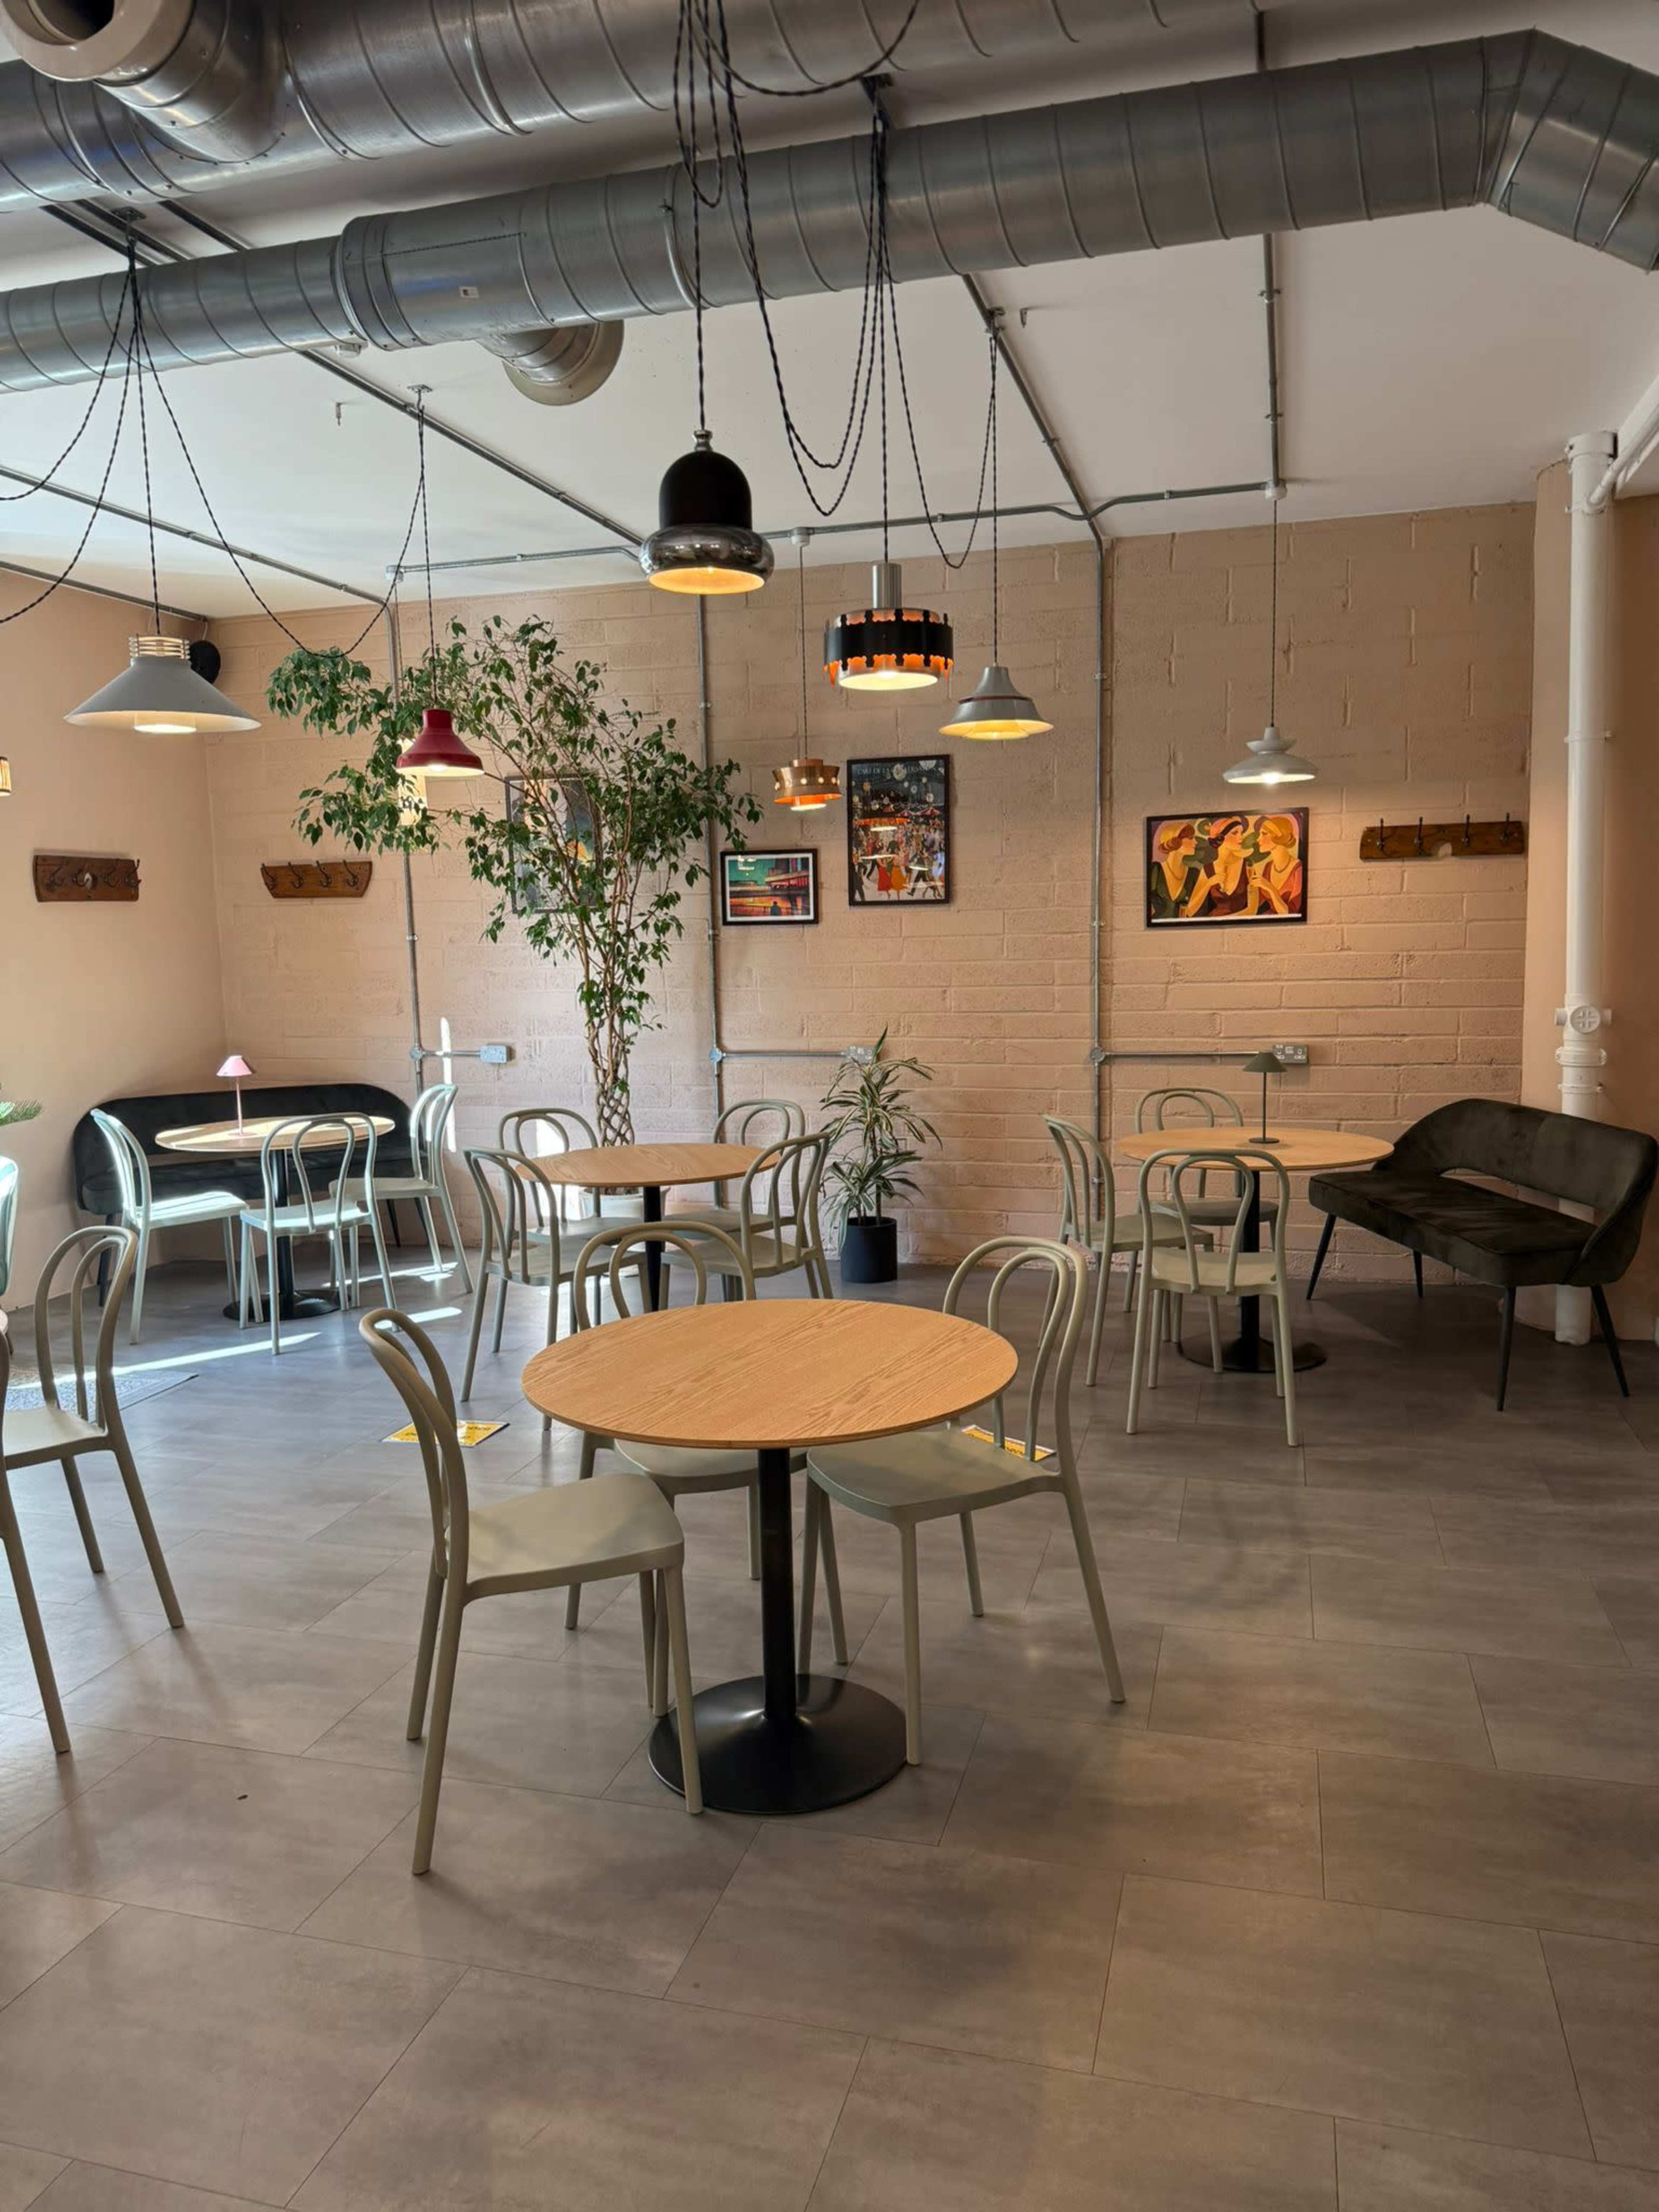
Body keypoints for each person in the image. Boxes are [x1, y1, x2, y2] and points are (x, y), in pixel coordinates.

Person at [1182, 815, 1251, 918]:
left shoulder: (1248, 866)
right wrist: (1208, 884)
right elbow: (1190, 911)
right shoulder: (1208, 869)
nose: (1241, 837)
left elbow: (1253, 909)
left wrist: (1222, 920)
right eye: (1235, 833)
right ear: (1220, 838)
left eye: (1241, 833)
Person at [1247, 813, 1304, 917]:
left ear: (1279, 837)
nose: (1258, 839)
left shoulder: (1298, 869)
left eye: (1264, 834)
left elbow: (1290, 914)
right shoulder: (1269, 867)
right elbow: (1257, 904)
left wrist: (1271, 889)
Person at [1148, 818, 1199, 920]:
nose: (1196, 842)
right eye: (1191, 838)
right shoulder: (1156, 870)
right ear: (1176, 841)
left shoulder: (1193, 873)